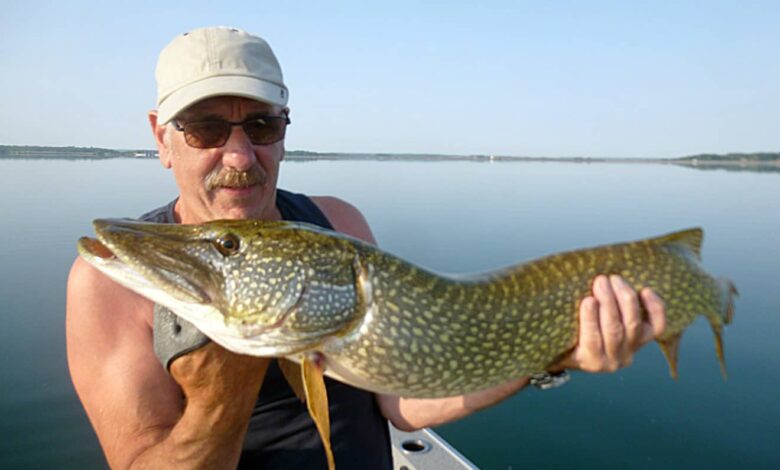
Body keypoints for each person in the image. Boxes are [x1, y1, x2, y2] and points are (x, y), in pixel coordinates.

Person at [66, 27, 667, 469]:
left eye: (262, 126)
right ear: (161, 139)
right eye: (205, 128)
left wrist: (551, 353)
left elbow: (400, 401)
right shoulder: (109, 287)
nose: (240, 156)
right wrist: (224, 395)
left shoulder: (337, 223)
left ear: (283, 130)